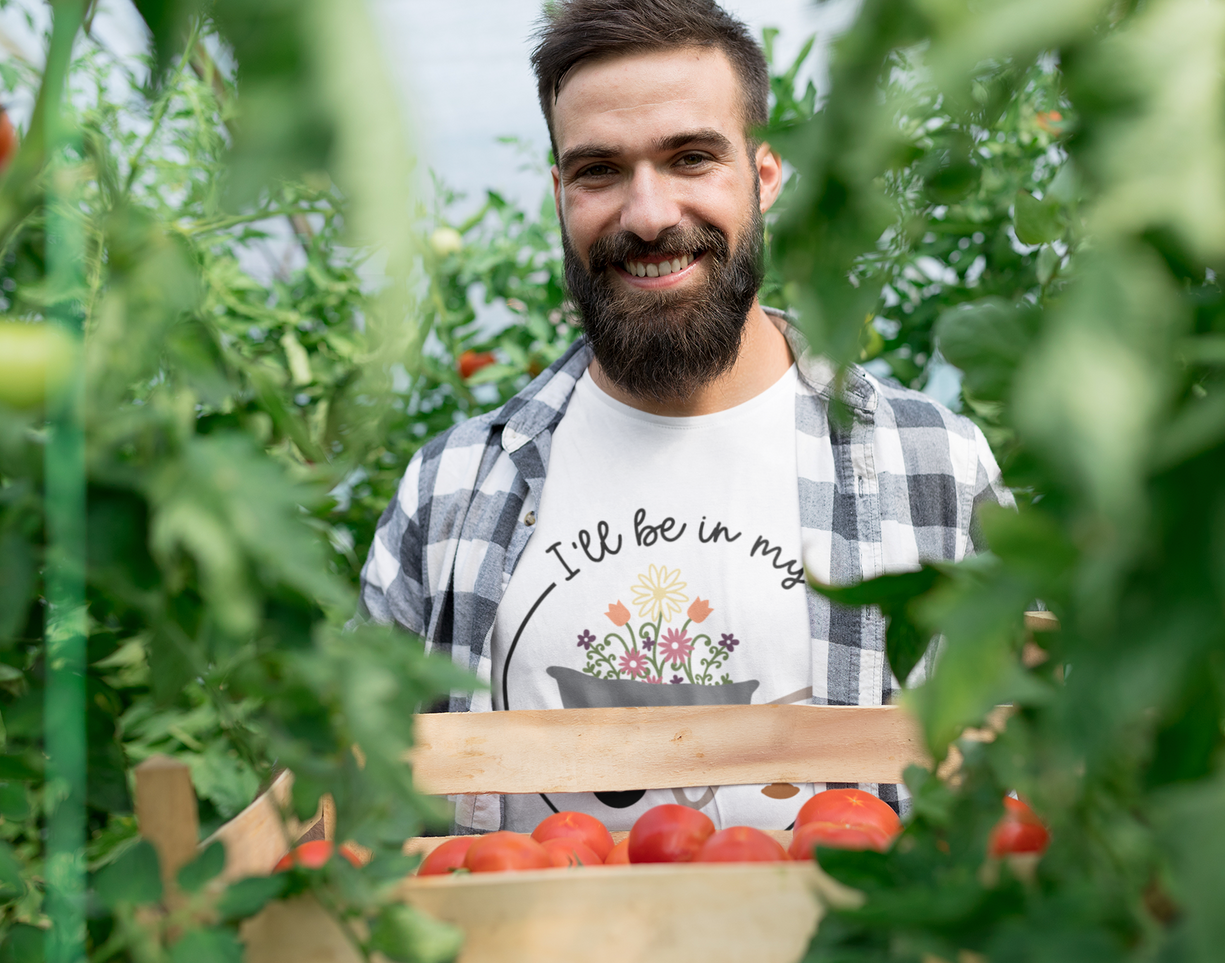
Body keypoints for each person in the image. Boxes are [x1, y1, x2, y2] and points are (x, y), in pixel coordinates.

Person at [359, 0, 1011, 834]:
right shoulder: (447, 493)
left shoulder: (935, 469)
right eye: (598, 170)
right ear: (559, 193)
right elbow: (365, 809)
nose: (648, 213)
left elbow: (1021, 782)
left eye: (691, 157)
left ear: (763, 175)